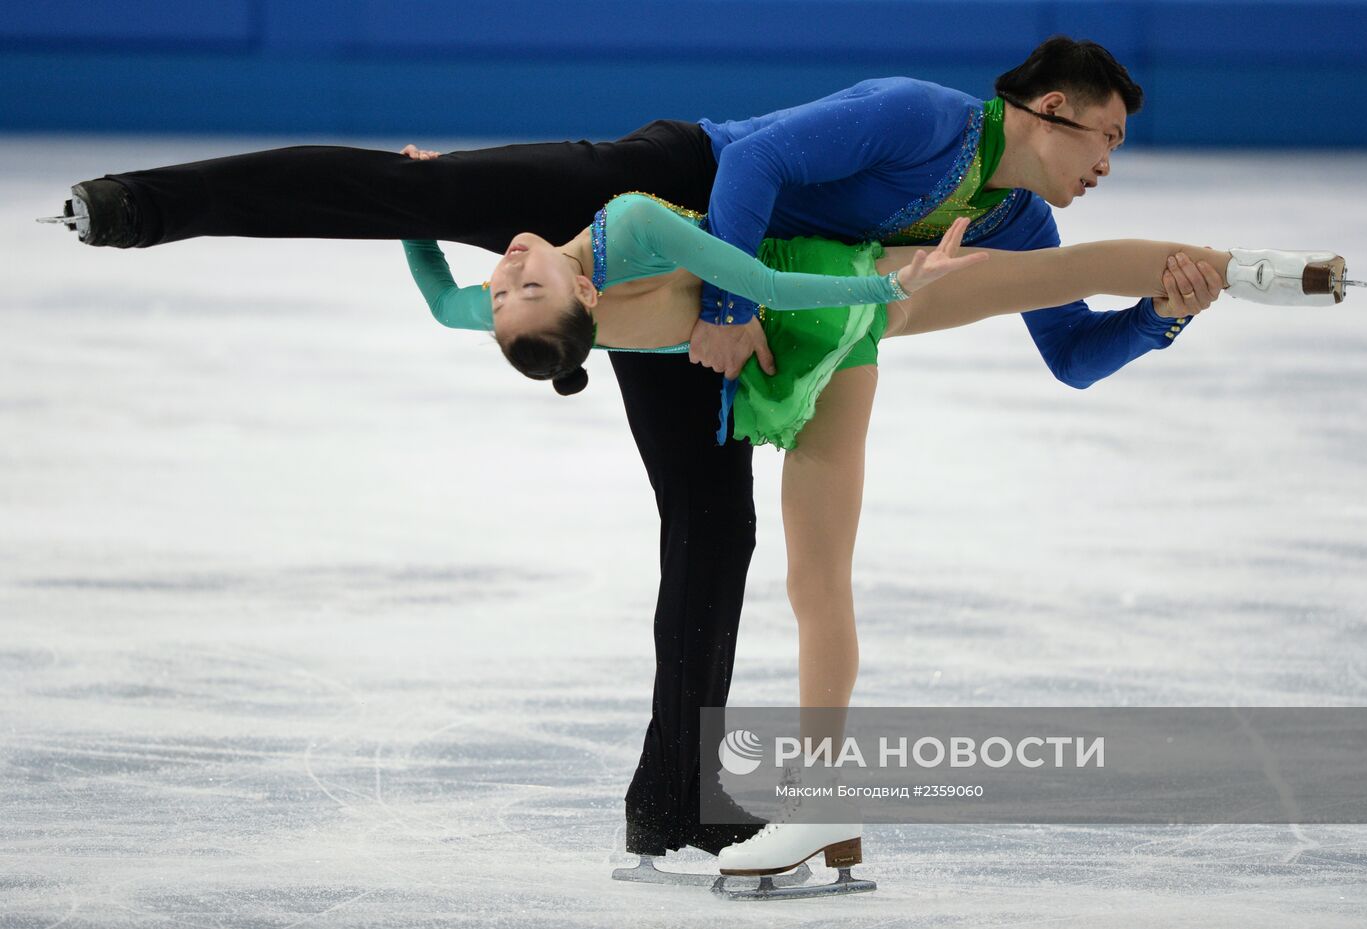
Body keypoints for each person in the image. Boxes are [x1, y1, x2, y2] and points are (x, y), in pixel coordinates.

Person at [44, 37, 1247, 868]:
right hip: (652, 195)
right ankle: (140, 204)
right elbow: (759, 163)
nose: (1107, 162)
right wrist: (727, 311)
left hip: (722, 295)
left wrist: (1164, 312)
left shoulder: (1015, 218)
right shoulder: (931, 116)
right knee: (409, 195)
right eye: (1104, 138)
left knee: (717, 533)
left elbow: (1073, 358)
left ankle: (672, 807)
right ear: (1046, 111)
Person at [401, 184, 1359, 887]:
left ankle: (1256, 271)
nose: (503, 281)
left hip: (822, 312)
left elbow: (445, 295)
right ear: (583, 309)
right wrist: (895, 290)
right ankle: (827, 797)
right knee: (818, 583)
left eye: (509, 288)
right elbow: (762, 277)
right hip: (830, 308)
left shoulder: (622, 246)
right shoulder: (620, 241)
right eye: (514, 295)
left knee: (1056, 274)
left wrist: (412, 203)